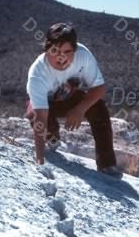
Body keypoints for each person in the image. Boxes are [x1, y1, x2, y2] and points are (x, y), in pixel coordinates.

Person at [25, 22, 122, 179]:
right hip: (46, 106)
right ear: (47, 49)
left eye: (67, 51)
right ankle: (53, 138)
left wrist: (80, 109)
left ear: (74, 51)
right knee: (34, 114)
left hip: (69, 99)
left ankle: (107, 164)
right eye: (55, 50)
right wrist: (40, 159)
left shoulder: (83, 56)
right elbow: (40, 119)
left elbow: (99, 88)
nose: (61, 57)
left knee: (98, 106)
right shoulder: (37, 73)